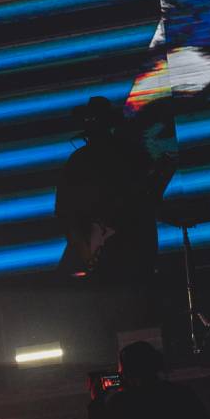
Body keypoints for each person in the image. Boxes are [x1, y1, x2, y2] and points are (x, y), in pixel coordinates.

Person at [55, 96, 161, 284]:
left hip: (121, 253)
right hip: (120, 254)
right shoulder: (127, 155)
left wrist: (86, 252)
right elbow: (66, 212)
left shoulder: (122, 156)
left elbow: (65, 212)